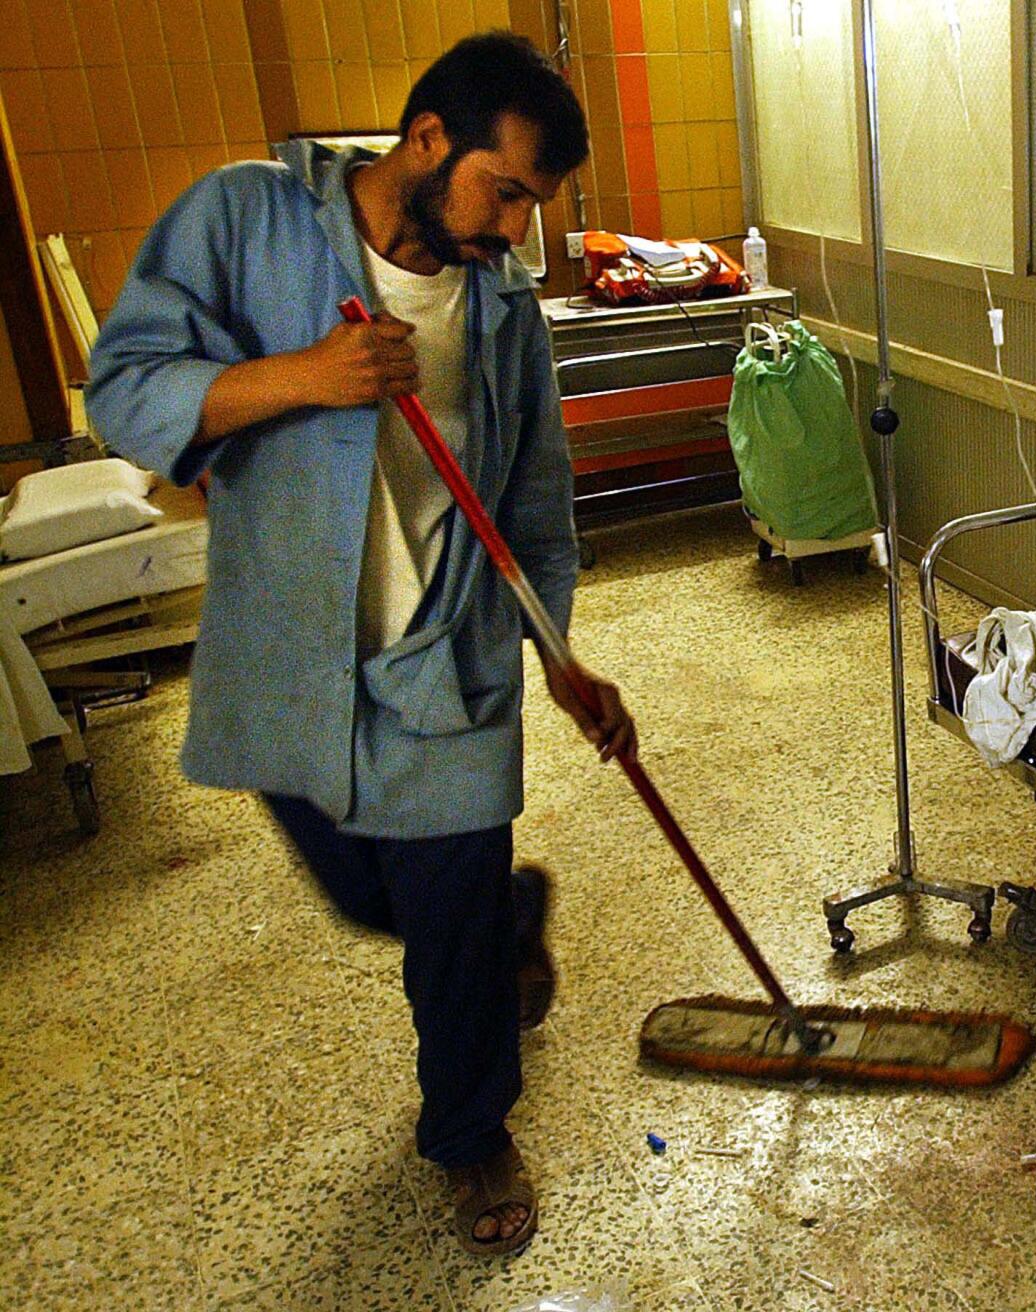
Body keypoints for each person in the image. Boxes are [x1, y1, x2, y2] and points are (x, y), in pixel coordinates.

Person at [87, 33, 633, 1255]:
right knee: (360, 893)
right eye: (505, 192)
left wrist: (559, 655)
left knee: (439, 917)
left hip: (448, 655)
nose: (513, 233)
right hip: (293, 647)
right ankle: (505, 920)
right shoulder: (246, 221)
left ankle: (470, 1127)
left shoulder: (501, 313)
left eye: (533, 208)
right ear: (429, 141)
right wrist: (302, 377)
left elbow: (534, 511)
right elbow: (122, 387)